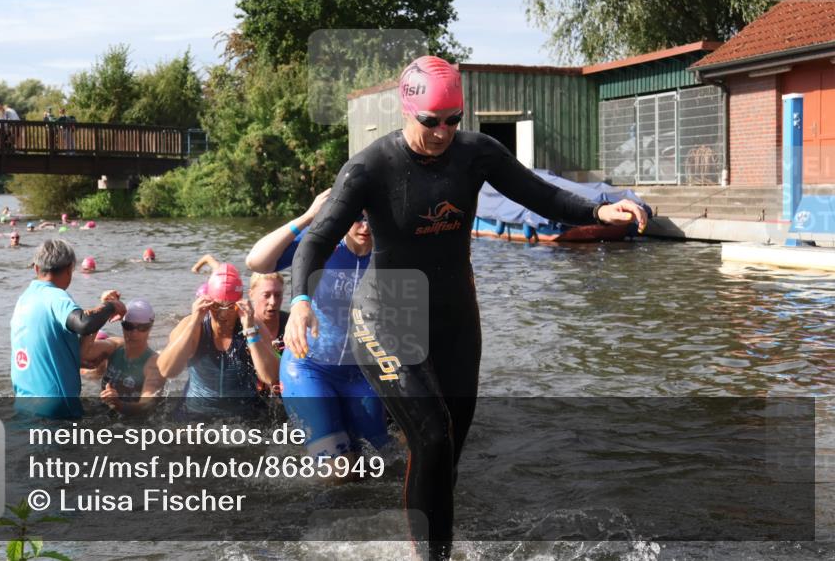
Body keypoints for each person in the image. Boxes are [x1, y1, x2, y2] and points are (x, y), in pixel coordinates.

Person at [286, 55, 648, 559]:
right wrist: (301, 300)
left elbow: (540, 195)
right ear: (406, 111)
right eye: (431, 121)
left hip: (455, 317)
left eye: (453, 120)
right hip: (386, 317)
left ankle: (430, 542)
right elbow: (317, 239)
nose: (442, 132)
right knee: (431, 438)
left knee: (448, 452)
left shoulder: (476, 154)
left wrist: (599, 210)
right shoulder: (370, 167)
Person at [247, 189, 386, 460]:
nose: (365, 227)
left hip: (362, 373)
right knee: (337, 469)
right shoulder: (322, 244)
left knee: (379, 463)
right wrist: (309, 216)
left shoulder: (387, 252)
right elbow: (256, 261)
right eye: (356, 218)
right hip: (309, 367)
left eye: (372, 219)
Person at [10, 239, 126, 419]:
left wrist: (102, 306)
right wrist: (112, 307)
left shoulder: (24, 299)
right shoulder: (56, 296)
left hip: (24, 404)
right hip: (57, 407)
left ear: (36, 268)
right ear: (69, 269)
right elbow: (84, 322)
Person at [157, 263, 279, 418]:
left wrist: (249, 331)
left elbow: (271, 377)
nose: (223, 315)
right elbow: (166, 370)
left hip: (244, 417)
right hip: (195, 413)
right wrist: (194, 323)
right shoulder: (193, 325)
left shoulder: (254, 326)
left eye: (230, 307)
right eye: (216, 307)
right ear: (207, 302)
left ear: (239, 304)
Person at [86, 299, 167, 415]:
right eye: (128, 326)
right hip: (106, 411)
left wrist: (119, 404)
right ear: (122, 325)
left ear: (150, 327)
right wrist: (103, 311)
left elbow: (146, 406)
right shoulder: (114, 346)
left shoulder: (155, 365)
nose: (134, 333)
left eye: (142, 328)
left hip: (136, 425)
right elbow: (85, 352)